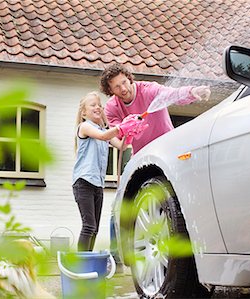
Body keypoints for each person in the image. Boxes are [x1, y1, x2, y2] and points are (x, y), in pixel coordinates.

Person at [100, 62, 211, 272]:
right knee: (120, 206)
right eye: (116, 87)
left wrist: (193, 92)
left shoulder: (148, 90)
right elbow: (116, 136)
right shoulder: (113, 107)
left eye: (124, 82)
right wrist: (124, 130)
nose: (123, 88)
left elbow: (172, 93)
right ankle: (122, 255)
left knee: (174, 198)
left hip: (168, 150)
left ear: (129, 78)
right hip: (140, 156)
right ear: (110, 90)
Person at [72, 91, 147, 251]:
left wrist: (130, 132)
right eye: (93, 105)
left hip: (97, 185)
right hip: (83, 182)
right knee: (89, 226)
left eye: (99, 105)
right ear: (84, 112)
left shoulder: (103, 129)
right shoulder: (85, 127)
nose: (98, 107)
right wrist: (121, 127)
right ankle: (80, 265)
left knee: (95, 229)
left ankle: (87, 262)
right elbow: (104, 136)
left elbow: (122, 146)